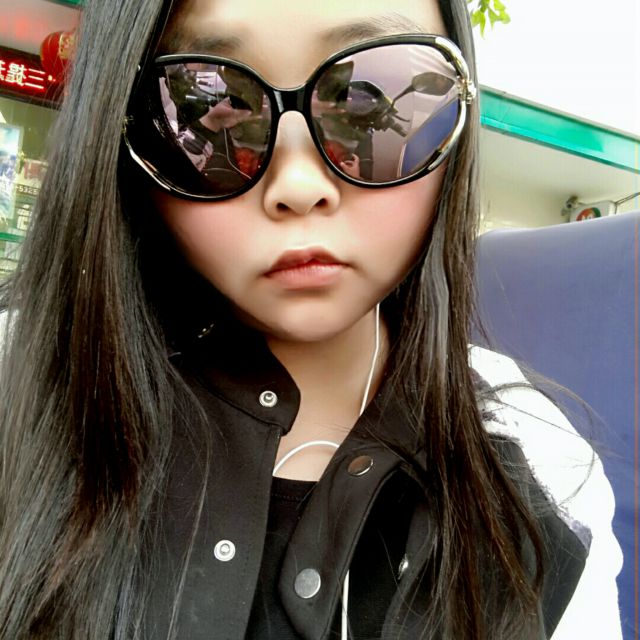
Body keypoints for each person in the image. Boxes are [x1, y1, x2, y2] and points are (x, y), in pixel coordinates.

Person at [0, 0, 622, 638]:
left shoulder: (539, 461)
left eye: (370, 108)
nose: (298, 186)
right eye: (209, 110)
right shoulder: (21, 381)